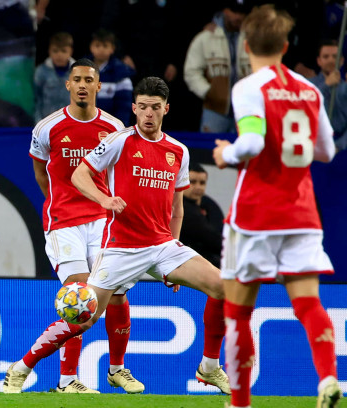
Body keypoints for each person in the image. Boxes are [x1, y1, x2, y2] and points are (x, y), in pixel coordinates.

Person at [4, 76, 231, 396]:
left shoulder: (178, 151)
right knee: (83, 316)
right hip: (121, 248)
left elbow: (177, 208)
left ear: (166, 109)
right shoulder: (118, 141)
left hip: (162, 245)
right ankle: (21, 367)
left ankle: (209, 367)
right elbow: (80, 174)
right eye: (143, 107)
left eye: (155, 107)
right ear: (134, 108)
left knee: (223, 286)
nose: (149, 113)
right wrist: (104, 199)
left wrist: (175, 254)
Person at [212, 5, 340, 408]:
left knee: (238, 312)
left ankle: (240, 403)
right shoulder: (310, 90)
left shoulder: (249, 87)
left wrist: (225, 153)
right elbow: (327, 152)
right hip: (302, 213)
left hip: (256, 215)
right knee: (308, 303)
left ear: (246, 46)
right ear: (285, 46)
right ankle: (328, 378)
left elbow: (251, 143)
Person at [4, 58, 137, 395]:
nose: (82, 85)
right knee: (79, 296)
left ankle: (116, 369)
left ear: (98, 86)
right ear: (67, 85)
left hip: (102, 221)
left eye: (88, 80)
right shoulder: (46, 128)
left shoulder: (114, 127)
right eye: (76, 79)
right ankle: (66, 380)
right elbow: (41, 174)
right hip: (64, 222)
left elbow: (117, 174)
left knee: (117, 295)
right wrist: (59, 203)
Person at [184, 0, 252, 133]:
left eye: (241, 13)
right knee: (210, 147)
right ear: (225, 11)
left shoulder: (253, 39)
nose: (238, 17)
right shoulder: (206, 37)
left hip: (247, 110)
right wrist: (207, 92)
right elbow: (191, 71)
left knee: (247, 147)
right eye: (234, 12)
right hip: (214, 110)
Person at [180, 163, 224, 268]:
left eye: (202, 183)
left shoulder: (209, 205)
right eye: (192, 182)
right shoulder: (181, 207)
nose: (198, 187)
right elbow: (211, 238)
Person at [87, 29, 134, 126]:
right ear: (91, 47)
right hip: (85, 124)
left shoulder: (121, 73)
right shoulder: (81, 69)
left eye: (105, 46)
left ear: (112, 48)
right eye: (97, 45)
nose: (101, 49)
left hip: (111, 126)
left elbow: (124, 106)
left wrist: (120, 128)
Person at [309, 39, 347, 150]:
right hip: (314, 141)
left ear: (342, 60)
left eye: (335, 56)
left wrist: (338, 146)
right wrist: (326, 84)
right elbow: (305, 106)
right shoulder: (308, 84)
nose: (331, 60)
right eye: (326, 57)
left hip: (340, 144)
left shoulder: (345, 87)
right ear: (319, 61)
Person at [34, 32, 75, 121]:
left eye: (64, 51)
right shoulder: (41, 71)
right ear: (49, 51)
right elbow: (36, 99)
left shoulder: (78, 72)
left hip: (71, 122)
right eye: (55, 51)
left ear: (70, 51)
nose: (59, 55)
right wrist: (39, 122)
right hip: (47, 122)